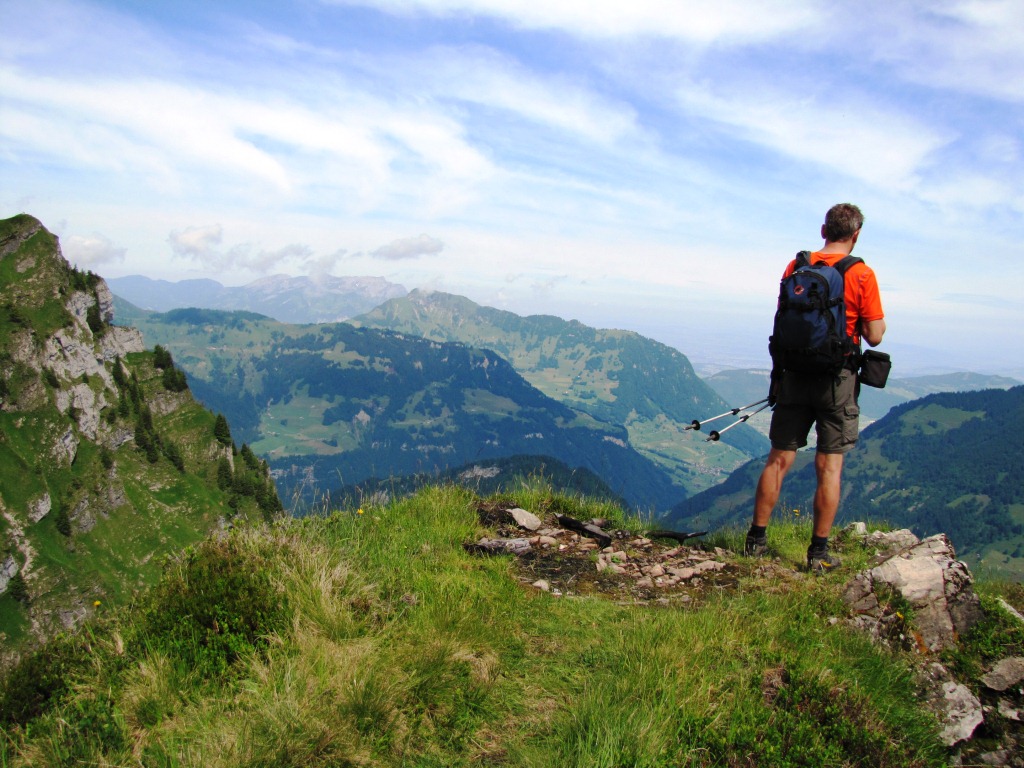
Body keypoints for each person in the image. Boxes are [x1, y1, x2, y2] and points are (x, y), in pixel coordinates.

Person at [745, 203, 886, 572]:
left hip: (793, 374)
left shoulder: (796, 266)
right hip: (836, 381)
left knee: (778, 459)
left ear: (824, 230)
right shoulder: (861, 274)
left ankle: (755, 541)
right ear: (856, 234)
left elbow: (785, 317)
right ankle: (818, 554)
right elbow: (874, 335)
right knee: (829, 466)